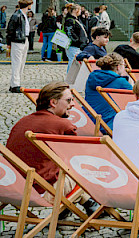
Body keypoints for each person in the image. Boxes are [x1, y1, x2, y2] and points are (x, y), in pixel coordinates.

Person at [5, 82, 97, 211]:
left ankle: (84, 204)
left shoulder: (22, 122)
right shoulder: (62, 125)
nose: (73, 104)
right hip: (41, 192)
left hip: (12, 188)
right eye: (69, 100)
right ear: (53, 102)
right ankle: (85, 203)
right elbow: (78, 159)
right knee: (88, 168)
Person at [85, 53, 133, 129]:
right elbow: (136, 100)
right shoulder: (121, 82)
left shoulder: (92, 78)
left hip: (88, 121)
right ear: (118, 67)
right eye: (124, 65)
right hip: (108, 125)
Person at [5, 0, 33, 93]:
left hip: (24, 39)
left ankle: (15, 83)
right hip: (17, 41)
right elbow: (10, 30)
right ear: (27, 5)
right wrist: (8, 43)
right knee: (17, 63)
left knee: (21, 63)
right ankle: (15, 84)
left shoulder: (23, 15)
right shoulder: (16, 15)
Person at [63, 3, 89, 72]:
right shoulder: (70, 20)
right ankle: (70, 76)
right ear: (75, 10)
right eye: (79, 10)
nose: (80, 11)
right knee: (73, 62)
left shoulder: (76, 19)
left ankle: (71, 76)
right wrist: (78, 41)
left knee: (74, 61)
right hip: (74, 45)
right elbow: (69, 33)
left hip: (77, 45)